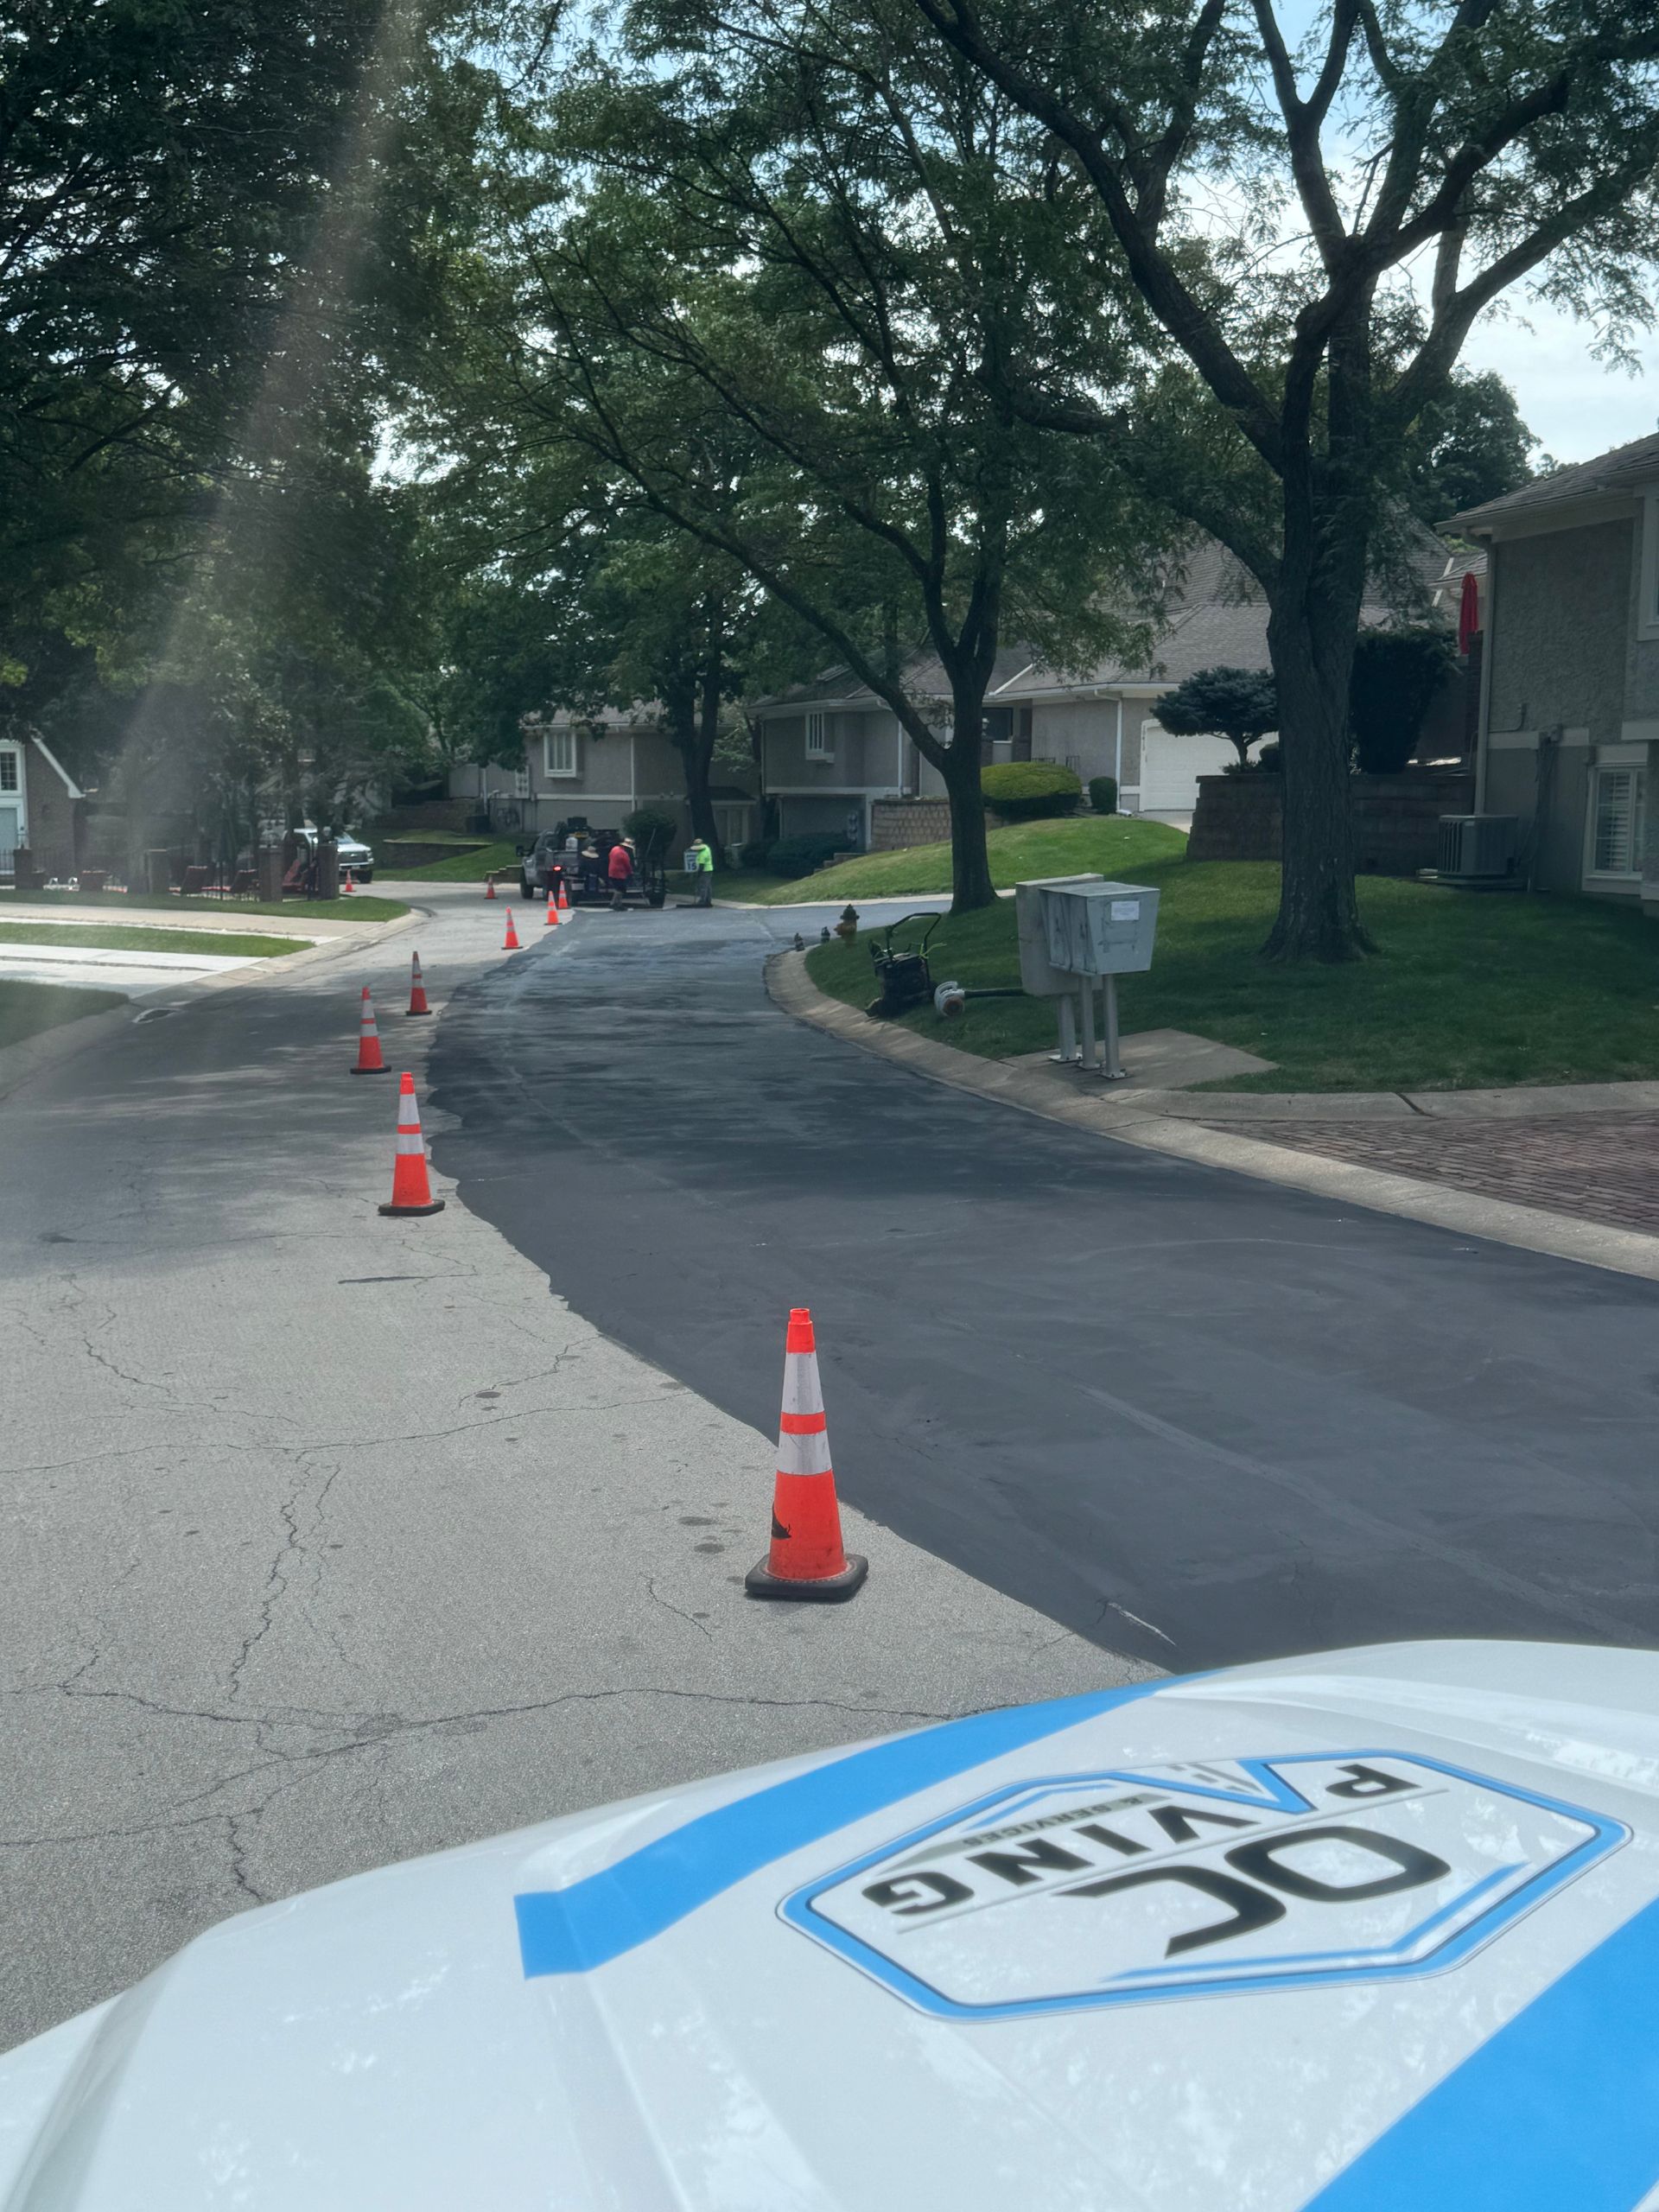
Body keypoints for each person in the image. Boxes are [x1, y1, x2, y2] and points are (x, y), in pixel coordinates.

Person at [607, 834, 633, 909]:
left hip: (612, 871)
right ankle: (617, 904)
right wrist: (630, 872)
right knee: (621, 889)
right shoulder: (623, 853)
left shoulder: (614, 849)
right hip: (619, 873)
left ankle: (613, 903)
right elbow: (627, 864)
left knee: (617, 888)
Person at [688, 835, 715, 906]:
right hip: (709, 869)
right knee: (708, 886)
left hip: (705, 870)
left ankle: (703, 901)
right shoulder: (707, 848)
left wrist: (698, 874)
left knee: (703, 886)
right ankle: (708, 901)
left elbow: (701, 866)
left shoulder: (702, 853)